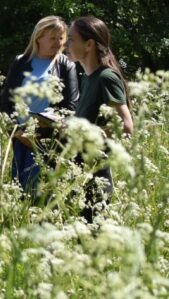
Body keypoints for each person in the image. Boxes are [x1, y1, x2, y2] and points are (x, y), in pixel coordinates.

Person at [0, 16, 80, 192]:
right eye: (52, 38)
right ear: (38, 38)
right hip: (20, 137)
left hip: (49, 141)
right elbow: (6, 104)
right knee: (21, 190)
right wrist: (19, 133)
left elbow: (70, 106)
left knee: (44, 192)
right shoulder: (20, 62)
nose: (58, 43)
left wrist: (42, 134)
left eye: (61, 38)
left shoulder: (66, 65)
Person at [67, 16, 133, 221]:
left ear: (89, 44)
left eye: (71, 39)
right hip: (80, 173)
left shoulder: (106, 77)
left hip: (96, 177)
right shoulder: (87, 79)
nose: (66, 44)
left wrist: (86, 133)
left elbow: (126, 125)